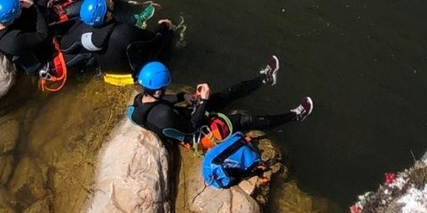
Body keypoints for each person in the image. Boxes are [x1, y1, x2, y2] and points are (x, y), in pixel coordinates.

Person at [129, 57, 314, 143]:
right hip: (197, 134)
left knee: (226, 94)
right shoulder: (163, 116)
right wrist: (203, 102)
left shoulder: (141, 101)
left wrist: (183, 97)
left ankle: (264, 78)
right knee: (244, 120)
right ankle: (295, 115)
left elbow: (161, 100)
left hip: (185, 117)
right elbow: (193, 127)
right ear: (158, 90)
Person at [60, 0, 174, 73]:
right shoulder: (124, 31)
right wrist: (163, 26)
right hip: (130, 74)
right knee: (164, 35)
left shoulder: (84, 31)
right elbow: (153, 39)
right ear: (108, 15)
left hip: (106, 72)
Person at [0, 0, 53, 73]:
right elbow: (43, 35)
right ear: (12, 19)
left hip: (9, 41)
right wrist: (34, 7)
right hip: (25, 53)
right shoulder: (14, 40)